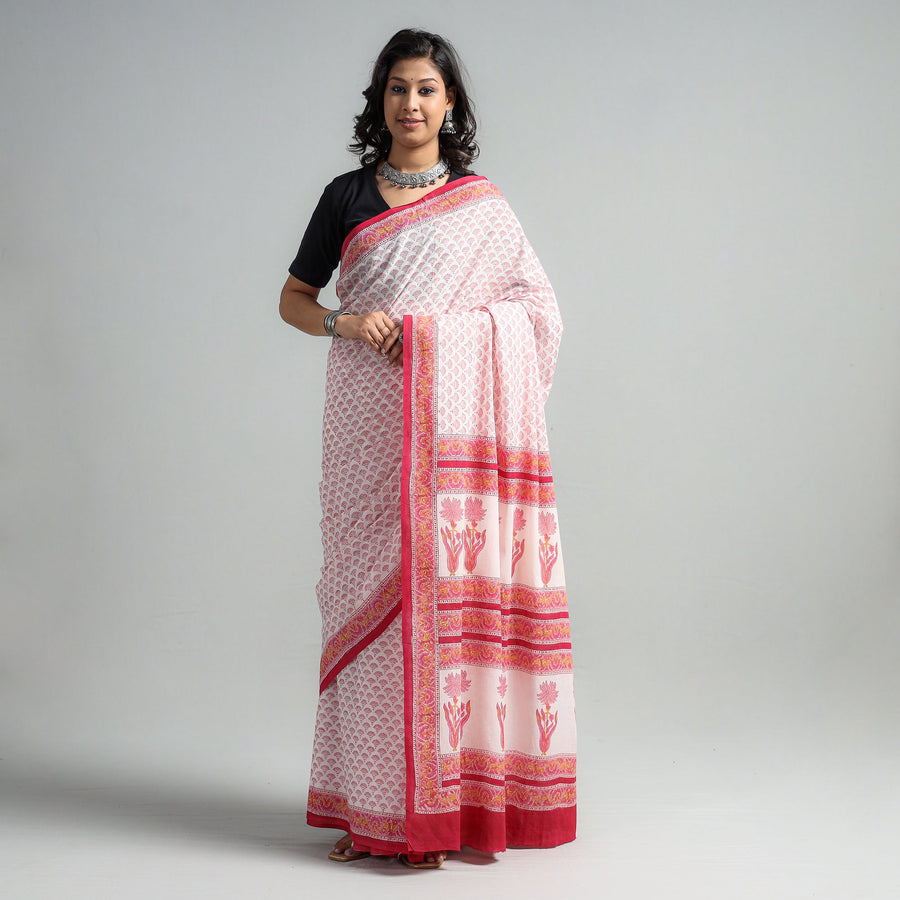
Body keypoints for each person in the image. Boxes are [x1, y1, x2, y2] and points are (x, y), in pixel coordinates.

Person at [279, 28, 576, 869]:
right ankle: (374, 810)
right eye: (397, 88)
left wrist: (440, 338)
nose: (411, 104)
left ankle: (446, 814)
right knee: (366, 608)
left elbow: (538, 315)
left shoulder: (482, 206)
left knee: (448, 607)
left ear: (450, 105)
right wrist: (344, 322)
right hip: (368, 427)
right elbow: (294, 298)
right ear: (380, 100)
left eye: (426, 90)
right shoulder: (345, 197)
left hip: (454, 443)